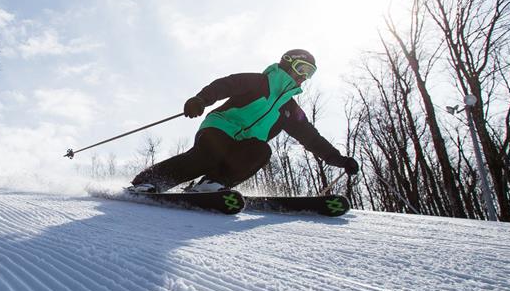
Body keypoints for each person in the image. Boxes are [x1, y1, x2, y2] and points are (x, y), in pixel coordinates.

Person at [129, 49, 359, 193]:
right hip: (220, 127)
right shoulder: (259, 81)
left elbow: (310, 137)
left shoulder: (288, 108)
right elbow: (225, 85)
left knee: (262, 151)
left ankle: (210, 184)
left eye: (310, 73)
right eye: (302, 68)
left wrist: (339, 160)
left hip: (246, 143)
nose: (303, 76)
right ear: (287, 63)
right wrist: (201, 99)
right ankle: (149, 181)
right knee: (207, 155)